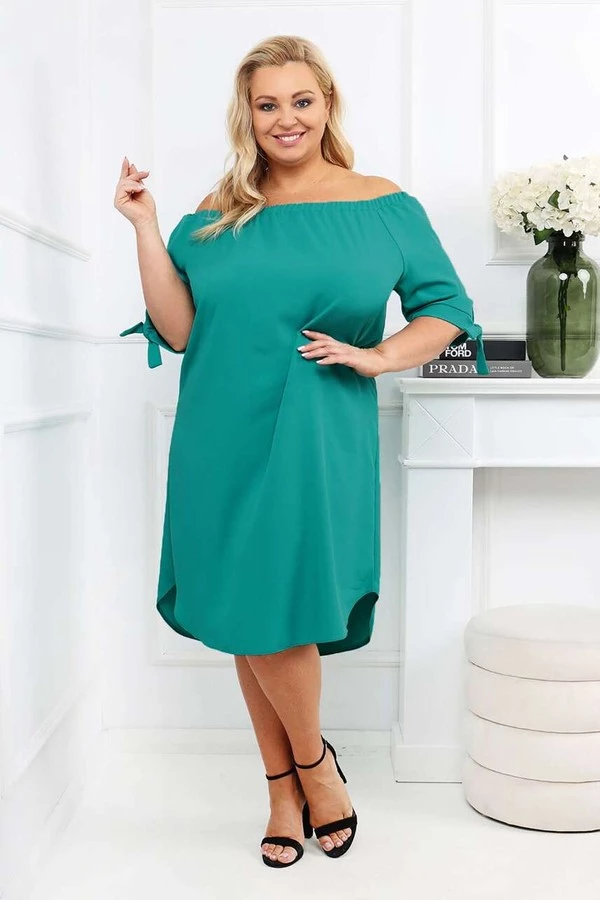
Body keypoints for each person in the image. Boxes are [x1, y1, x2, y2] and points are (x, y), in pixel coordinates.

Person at [115, 34, 489, 869]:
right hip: (218, 433)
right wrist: (143, 226)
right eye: (267, 104)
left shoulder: (383, 205)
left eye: (301, 100)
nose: (285, 118)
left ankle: (308, 770)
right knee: (246, 608)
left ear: (327, 106)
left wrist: (379, 356)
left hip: (318, 430)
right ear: (248, 116)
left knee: (275, 602)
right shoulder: (216, 213)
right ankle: (290, 784)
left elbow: (446, 309)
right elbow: (179, 330)